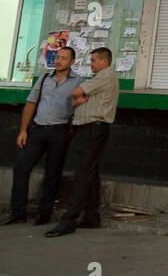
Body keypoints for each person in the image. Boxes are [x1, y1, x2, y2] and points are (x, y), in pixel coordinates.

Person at [0, 46, 80, 226]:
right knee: (21, 168)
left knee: (52, 173)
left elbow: (81, 106)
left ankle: (44, 214)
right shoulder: (44, 79)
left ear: (72, 62)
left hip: (60, 131)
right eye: (57, 57)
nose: (58, 61)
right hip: (38, 130)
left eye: (64, 58)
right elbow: (31, 104)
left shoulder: (78, 82)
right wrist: (23, 130)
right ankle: (17, 212)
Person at [46, 47, 120, 236]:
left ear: (104, 61)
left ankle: (69, 219)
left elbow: (77, 91)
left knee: (82, 174)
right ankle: (91, 216)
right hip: (86, 128)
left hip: (93, 128)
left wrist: (79, 97)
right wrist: (79, 99)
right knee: (90, 173)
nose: (91, 63)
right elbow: (74, 99)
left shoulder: (106, 76)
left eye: (94, 60)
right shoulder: (98, 78)